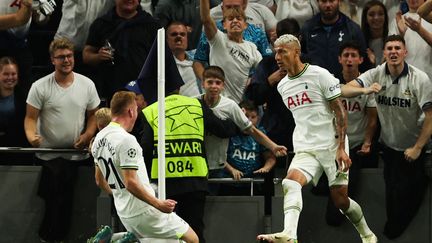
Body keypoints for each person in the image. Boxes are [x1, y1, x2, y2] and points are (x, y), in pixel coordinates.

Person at [257, 34, 377, 243]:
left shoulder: (320, 75)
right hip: (305, 146)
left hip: (332, 146)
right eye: (276, 51)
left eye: (282, 51)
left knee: (340, 201)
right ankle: (289, 235)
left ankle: (367, 234)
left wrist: (341, 147)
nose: (277, 56)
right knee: (290, 183)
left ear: (296, 52)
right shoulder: (282, 86)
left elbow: (340, 112)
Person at [137, 91, 262, 243]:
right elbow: (222, 129)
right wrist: (236, 122)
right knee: (194, 231)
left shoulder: (151, 110)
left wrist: (149, 178)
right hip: (194, 181)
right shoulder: (196, 105)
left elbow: (146, 148)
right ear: (179, 88)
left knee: (165, 232)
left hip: (164, 183)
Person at [342, 34, 432, 239]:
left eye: (397, 48)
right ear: (384, 53)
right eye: (389, 48)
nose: (393, 52)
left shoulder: (420, 78)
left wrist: (418, 147)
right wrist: (365, 90)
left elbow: (430, 117)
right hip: (389, 147)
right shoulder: (376, 74)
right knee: (393, 201)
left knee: (415, 194)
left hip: (415, 147)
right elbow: (342, 89)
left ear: (405, 53)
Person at [91, 91, 199, 243]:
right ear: (131, 111)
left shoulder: (98, 139)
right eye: (136, 109)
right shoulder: (127, 140)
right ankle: (116, 241)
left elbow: (99, 180)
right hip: (145, 209)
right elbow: (131, 183)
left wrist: (119, 194)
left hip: (124, 211)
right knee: (192, 240)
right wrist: (158, 203)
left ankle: (117, 238)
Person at [24, 38, 100, 242]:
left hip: (75, 156)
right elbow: (30, 118)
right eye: (61, 57)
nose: (66, 60)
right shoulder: (39, 86)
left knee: (68, 205)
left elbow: (94, 115)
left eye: (69, 56)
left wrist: (87, 135)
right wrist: (31, 136)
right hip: (48, 157)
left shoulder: (87, 84)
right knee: (50, 203)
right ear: (52, 60)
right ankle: (46, 238)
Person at [199, 65, 286, 182]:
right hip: (198, 163)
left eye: (218, 83)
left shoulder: (230, 106)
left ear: (223, 85)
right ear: (202, 84)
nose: (214, 86)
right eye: (210, 82)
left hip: (218, 166)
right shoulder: (193, 103)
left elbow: (252, 130)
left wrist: (273, 146)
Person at [325, 41, 379, 226]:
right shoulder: (331, 83)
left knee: (347, 188)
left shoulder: (368, 87)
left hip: (355, 146)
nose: (349, 59)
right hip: (334, 145)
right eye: (345, 55)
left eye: (353, 55)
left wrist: (367, 142)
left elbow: (372, 119)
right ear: (339, 59)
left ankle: (339, 221)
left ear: (360, 60)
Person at [83, 0, 160, 101]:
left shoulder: (152, 25)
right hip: (110, 94)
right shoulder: (101, 24)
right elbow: (86, 55)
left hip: (143, 95)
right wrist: (98, 57)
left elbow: (161, 60)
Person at [192, 0, 273, 82]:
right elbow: (198, 62)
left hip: (249, 87)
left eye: (236, 7)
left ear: (244, 6)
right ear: (222, 8)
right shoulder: (214, 32)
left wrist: (255, 82)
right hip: (218, 86)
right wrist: (207, 82)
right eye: (228, 7)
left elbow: (267, 63)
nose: (234, 20)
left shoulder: (257, 33)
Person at [200, 0, 263, 104]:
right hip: (216, 104)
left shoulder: (252, 48)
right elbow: (206, 19)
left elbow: (263, 72)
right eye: (230, 19)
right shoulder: (218, 39)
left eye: (239, 18)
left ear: (245, 25)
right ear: (224, 25)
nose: (235, 21)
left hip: (239, 105)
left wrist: (253, 80)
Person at [300, 0, 370, 76]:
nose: (328, 5)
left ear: (339, 1)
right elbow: (300, 59)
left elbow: (363, 63)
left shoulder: (352, 29)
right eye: (323, 1)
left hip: (344, 84)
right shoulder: (307, 28)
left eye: (332, 1)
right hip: (314, 83)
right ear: (317, 2)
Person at [221, 99, 276, 195]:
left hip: (253, 182)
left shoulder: (261, 134)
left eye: (253, 117)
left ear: (258, 118)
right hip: (229, 182)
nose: (249, 121)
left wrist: (266, 168)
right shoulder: (229, 131)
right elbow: (218, 156)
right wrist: (232, 170)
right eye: (245, 116)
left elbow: (270, 157)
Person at [389, 0, 432, 79]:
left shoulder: (430, 19)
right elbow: (389, 55)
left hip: (428, 77)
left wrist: (419, 30)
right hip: (405, 78)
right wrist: (401, 36)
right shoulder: (398, 21)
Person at [0, 56, 30, 164]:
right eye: (6, 74)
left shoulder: (25, 97)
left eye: (13, 74)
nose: (10, 77)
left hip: (18, 152)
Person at [153, 0, 219, 49]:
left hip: (201, 52)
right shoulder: (164, 6)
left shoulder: (204, 1)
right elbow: (158, 35)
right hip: (176, 55)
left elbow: (222, 9)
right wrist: (179, 28)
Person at [166, 21, 202, 97]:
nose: (178, 37)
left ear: (187, 39)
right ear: (167, 40)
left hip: (198, 105)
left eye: (182, 34)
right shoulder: (159, 64)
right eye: (174, 34)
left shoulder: (198, 59)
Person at [361, 0, 389, 66]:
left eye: (380, 14)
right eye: (371, 15)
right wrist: (372, 64)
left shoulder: (391, 40)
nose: (376, 18)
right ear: (365, 18)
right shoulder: (361, 42)